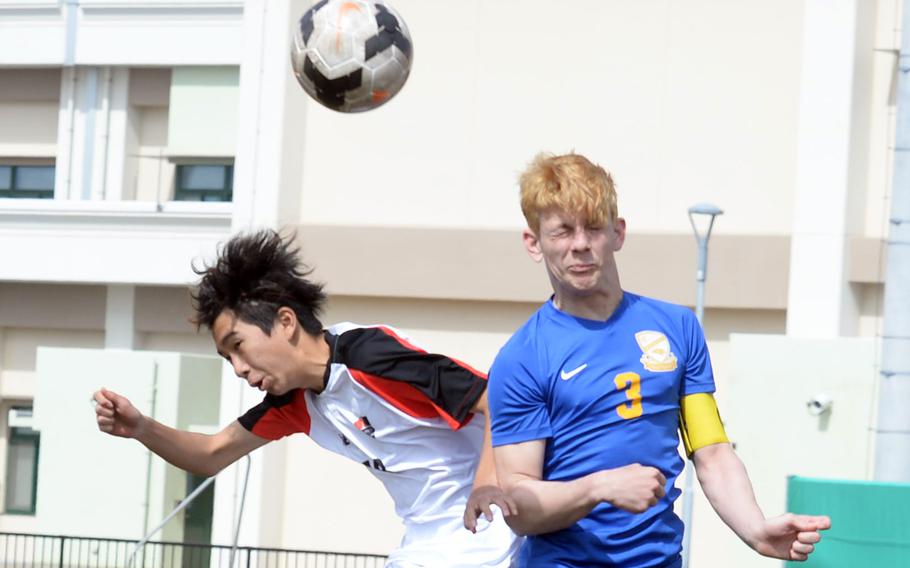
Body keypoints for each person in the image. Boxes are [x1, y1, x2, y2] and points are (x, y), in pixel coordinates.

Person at [93, 229, 521, 568]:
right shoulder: (296, 401)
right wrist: (142, 428)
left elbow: (494, 397)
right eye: (228, 358)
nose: (239, 368)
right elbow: (211, 453)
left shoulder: (368, 356)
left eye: (239, 346)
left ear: (285, 321)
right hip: (428, 547)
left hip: (493, 538)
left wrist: (486, 483)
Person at [486, 152, 830, 567]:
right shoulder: (522, 358)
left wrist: (755, 530)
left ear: (618, 232)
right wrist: (597, 487)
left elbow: (712, 452)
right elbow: (520, 506)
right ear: (534, 243)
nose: (579, 245)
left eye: (593, 228)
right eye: (561, 232)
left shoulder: (678, 327)